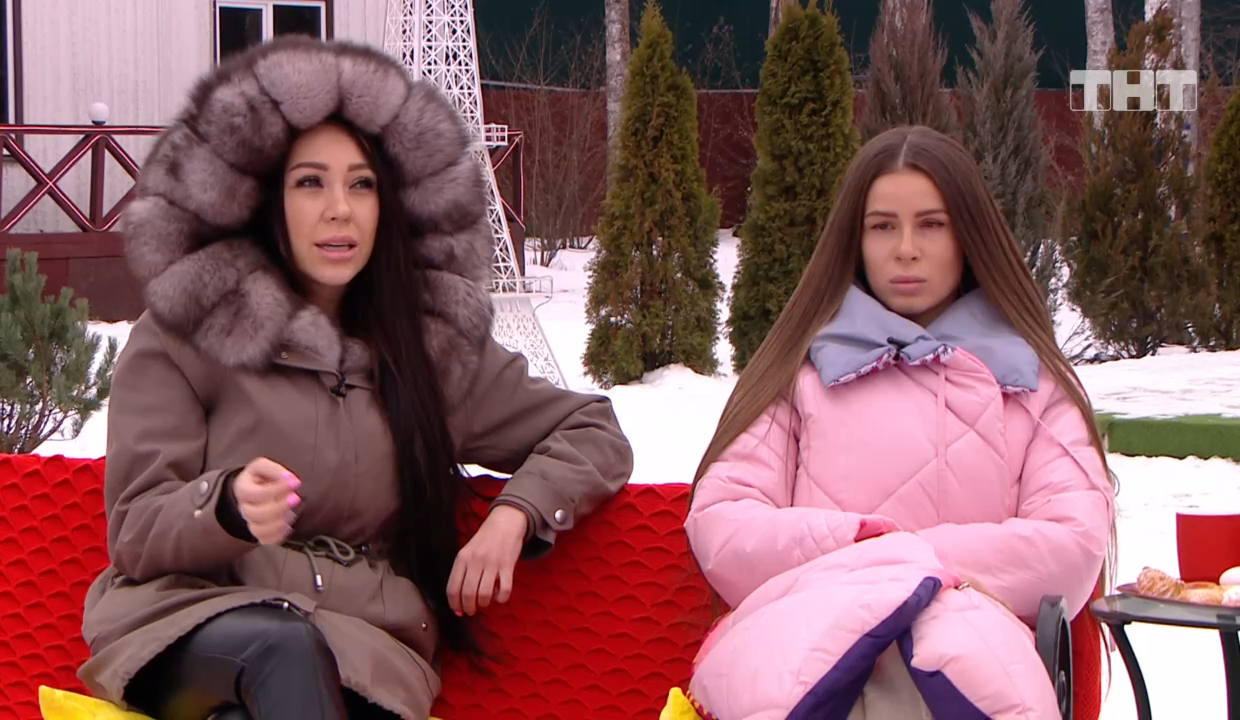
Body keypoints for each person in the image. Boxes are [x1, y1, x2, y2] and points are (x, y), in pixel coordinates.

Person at [77, 37, 633, 720]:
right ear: (263, 199)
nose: (339, 209)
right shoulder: (189, 329)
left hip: (363, 640)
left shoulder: (431, 347)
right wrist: (223, 506)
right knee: (281, 649)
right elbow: (135, 529)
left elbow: (592, 428)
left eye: (362, 184)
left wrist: (516, 514)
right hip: (195, 616)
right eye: (311, 183)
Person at [683, 126, 1116, 719]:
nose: (906, 249)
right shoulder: (797, 373)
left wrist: (907, 564)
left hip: (972, 669)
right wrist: (865, 550)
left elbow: (1071, 546)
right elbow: (725, 524)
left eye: (931, 224)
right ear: (855, 239)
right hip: (804, 658)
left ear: (969, 235)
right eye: (883, 226)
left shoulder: (1033, 383)